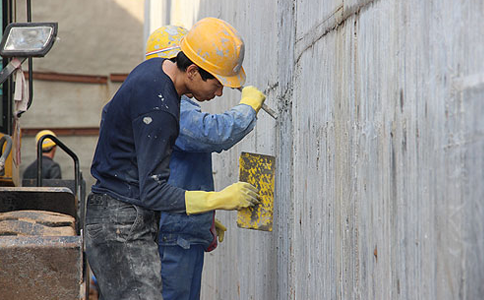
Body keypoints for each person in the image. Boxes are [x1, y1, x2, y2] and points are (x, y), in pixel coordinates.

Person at [85, 17, 265, 300]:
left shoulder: (152, 74)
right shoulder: (162, 107)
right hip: (121, 221)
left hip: (121, 215)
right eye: (217, 84)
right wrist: (219, 199)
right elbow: (154, 192)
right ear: (192, 70)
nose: (219, 93)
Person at [145, 26, 266, 300]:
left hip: (182, 230)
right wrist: (247, 108)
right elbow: (207, 134)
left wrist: (204, 218)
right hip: (174, 233)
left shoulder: (171, 98)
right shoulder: (170, 102)